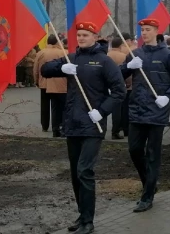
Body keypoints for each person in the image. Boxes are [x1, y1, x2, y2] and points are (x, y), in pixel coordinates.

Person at [41, 21, 125, 234]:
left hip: (93, 123)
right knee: (75, 173)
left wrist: (102, 111)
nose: (81, 38)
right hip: (73, 123)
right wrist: (61, 67)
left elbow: (119, 91)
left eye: (86, 35)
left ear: (95, 37)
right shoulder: (72, 59)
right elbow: (45, 69)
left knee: (85, 170)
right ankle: (82, 215)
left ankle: (89, 221)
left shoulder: (104, 61)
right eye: (79, 35)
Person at [121, 18, 170, 212]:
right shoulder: (135, 54)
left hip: (157, 111)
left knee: (153, 154)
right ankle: (149, 181)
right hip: (137, 109)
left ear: (156, 31)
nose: (144, 33)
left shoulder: (167, 54)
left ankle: (147, 195)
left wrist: (168, 96)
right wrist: (128, 67)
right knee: (134, 150)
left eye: (148, 29)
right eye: (142, 30)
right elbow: (118, 76)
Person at [33, 35, 68, 137]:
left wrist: (36, 81)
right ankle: (57, 127)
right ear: (57, 42)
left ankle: (44, 125)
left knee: (44, 105)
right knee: (58, 107)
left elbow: (36, 69)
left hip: (44, 82)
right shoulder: (63, 52)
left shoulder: (41, 53)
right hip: (60, 83)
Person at [108, 37, 130, 140]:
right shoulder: (124, 56)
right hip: (121, 84)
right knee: (122, 109)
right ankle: (121, 129)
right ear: (120, 46)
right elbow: (127, 71)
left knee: (113, 108)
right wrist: (129, 84)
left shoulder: (107, 56)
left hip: (108, 84)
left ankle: (113, 130)